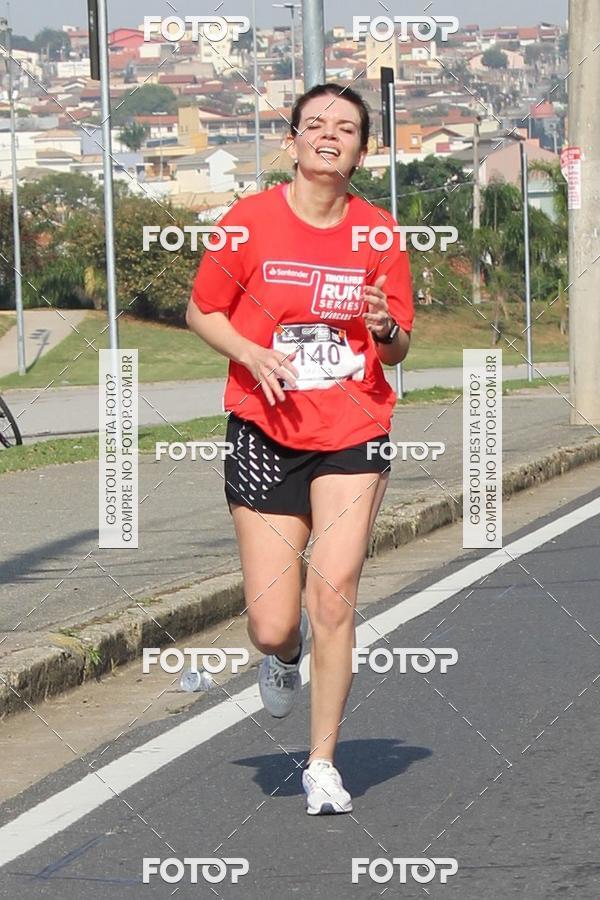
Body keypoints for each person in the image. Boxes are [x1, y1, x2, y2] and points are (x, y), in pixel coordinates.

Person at [186, 83, 414, 815]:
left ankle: (322, 763)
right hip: (265, 427)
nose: (329, 134)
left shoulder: (379, 233)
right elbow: (202, 310)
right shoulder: (248, 222)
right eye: (315, 123)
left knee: (334, 593)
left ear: (361, 152)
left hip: (353, 428)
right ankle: (285, 657)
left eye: (346, 127)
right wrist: (250, 352)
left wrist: (383, 328)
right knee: (273, 622)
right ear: (291, 141)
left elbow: (399, 345)